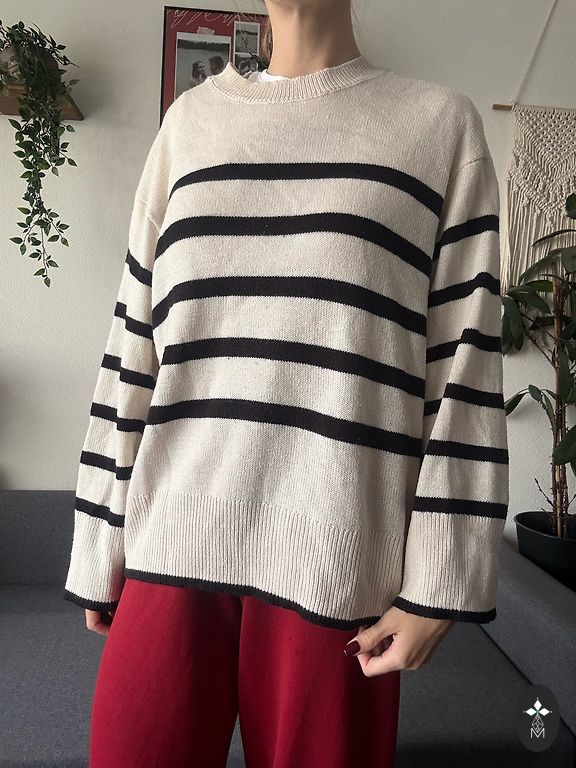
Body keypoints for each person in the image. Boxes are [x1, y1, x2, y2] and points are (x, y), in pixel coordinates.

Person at [63, 0, 509, 765]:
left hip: (337, 557)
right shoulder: (189, 125)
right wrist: (97, 543)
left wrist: (442, 581)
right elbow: (134, 339)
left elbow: (463, 368)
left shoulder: (440, 127)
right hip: (171, 541)